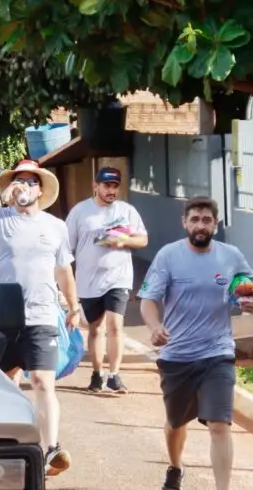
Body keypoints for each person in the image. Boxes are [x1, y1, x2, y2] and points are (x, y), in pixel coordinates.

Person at [0, 158, 80, 478]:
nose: (24, 187)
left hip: (42, 314)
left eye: (31, 182)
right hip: (5, 314)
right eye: (19, 180)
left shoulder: (55, 226)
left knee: (43, 380)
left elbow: (63, 268)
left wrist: (73, 304)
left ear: (41, 190)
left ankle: (52, 447)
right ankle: (8, 444)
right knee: (5, 382)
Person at [139, 196, 253, 490]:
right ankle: (175, 466)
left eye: (207, 220)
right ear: (184, 222)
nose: (200, 225)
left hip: (217, 353)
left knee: (220, 424)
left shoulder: (230, 255)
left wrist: (250, 301)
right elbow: (148, 300)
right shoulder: (168, 256)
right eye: (194, 219)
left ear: (215, 224)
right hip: (177, 355)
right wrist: (155, 327)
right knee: (175, 424)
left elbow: (252, 292)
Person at [65, 166, 148, 394]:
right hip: (88, 280)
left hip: (118, 278)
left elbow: (143, 239)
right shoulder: (80, 212)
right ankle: (97, 373)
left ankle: (114, 375)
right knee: (95, 329)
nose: (111, 190)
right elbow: (66, 247)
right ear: (96, 186)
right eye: (106, 186)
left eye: (114, 186)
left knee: (115, 325)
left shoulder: (126, 211)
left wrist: (123, 241)